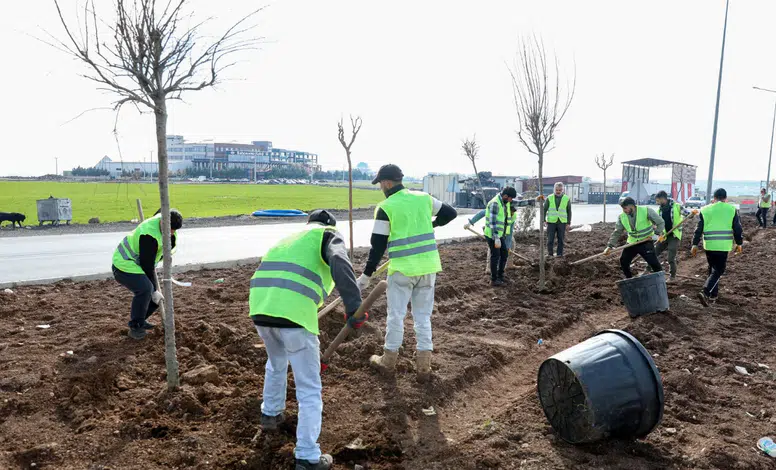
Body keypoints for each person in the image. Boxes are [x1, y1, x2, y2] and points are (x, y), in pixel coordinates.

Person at [249, 209, 364, 470]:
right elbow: (339, 261)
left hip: (260, 309)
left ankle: (270, 414)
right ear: (328, 225)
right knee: (309, 387)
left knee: (276, 363)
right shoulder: (327, 234)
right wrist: (354, 306)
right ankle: (308, 456)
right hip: (294, 316)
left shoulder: (290, 238)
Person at [356, 164, 457, 381]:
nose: (381, 188)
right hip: (428, 268)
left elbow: (378, 246)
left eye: (380, 184)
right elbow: (451, 213)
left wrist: (366, 275)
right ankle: (423, 367)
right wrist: (433, 224)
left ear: (386, 183)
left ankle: (388, 361)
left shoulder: (386, 207)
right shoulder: (423, 198)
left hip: (402, 270)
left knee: (396, 316)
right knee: (422, 317)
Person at [112, 209, 183, 340]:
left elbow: (162, 208)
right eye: (170, 229)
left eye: (174, 230)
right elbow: (147, 265)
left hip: (139, 264)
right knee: (146, 290)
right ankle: (135, 328)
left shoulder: (166, 217)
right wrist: (155, 289)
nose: (172, 232)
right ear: (162, 222)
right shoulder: (148, 236)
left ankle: (140, 319)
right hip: (124, 264)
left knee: (155, 299)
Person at [691, 188, 744, 307]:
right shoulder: (731, 209)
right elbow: (737, 228)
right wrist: (739, 243)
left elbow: (698, 229)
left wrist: (694, 244)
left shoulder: (705, 209)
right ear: (725, 198)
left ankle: (713, 295)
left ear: (714, 198)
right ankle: (705, 291)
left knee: (712, 268)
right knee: (719, 271)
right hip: (723, 246)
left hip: (709, 245)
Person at [603, 197, 665, 278]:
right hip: (632, 242)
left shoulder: (646, 210)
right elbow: (617, 232)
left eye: (625, 208)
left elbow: (660, 222)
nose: (624, 211)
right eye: (623, 208)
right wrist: (610, 246)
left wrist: (656, 234)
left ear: (632, 206)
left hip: (646, 241)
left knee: (654, 263)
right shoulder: (622, 217)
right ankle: (629, 280)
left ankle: (661, 281)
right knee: (624, 261)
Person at [653, 190, 693, 282]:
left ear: (663, 199)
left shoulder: (677, 206)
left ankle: (672, 276)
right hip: (664, 236)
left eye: (658, 200)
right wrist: (659, 234)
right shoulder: (659, 210)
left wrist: (692, 214)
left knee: (671, 257)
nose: (657, 202)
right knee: (654, 252)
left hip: (674, 236)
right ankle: (649, 271)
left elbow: (688, 214)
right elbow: (656, 223)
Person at [482, 187, 517, 286]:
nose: (511, 201)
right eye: (511, 198)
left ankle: (500, 276)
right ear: (506, 196)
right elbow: (492, 222)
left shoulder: (503, 202)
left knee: (504, 254)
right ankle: (494, 280)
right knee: (495, 256)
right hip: (492, 234)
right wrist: (496, 237)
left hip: (499, 234)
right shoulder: (495, 203)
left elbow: (518, 203)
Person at [544, 182, 572, 257]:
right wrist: (543, 220)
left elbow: (569, 211)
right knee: (550, 240)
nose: (558, 191)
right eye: (556, 190)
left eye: (560, 190)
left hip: (562, 222)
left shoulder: (566, 198)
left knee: (561, 240)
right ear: (554, 189)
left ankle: (559, 254)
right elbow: (544, 209)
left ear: (562, 190)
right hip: (551, 222)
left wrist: (568, 223)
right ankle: (550, 254)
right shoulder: (549, 198)